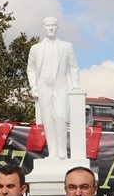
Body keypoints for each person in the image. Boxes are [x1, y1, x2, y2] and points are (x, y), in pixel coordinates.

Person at [26, 16, 80, 160]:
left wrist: (76, 86)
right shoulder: (35, 48)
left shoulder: (66, 46)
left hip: (60, 86)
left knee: (60, 117)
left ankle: (62, 150)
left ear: (57, 27)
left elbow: (73, 66)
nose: (50, 28)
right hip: (44, 86)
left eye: (53, 25)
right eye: (48, 25)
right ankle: (53, 152)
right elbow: (30, 69)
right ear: (43, 28)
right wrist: (33, 86)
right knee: (48, 120)